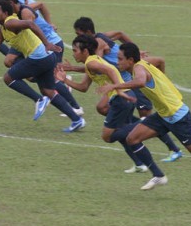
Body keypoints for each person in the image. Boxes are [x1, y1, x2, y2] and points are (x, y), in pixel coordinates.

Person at [99, 43, 191, 207]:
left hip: (178, 116)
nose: (117, 62)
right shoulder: (141, 64)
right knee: (132, 138)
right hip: (162, 115)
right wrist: (163, 83)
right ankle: (158, 175)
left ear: (131, 60)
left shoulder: (139, 69)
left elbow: (140, 82)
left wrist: (115, 85)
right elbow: (160, 61)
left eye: (120, 59)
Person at [68, 17, 182, 165]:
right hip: (123, 81)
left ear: (88, 32)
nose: (78, 37)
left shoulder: (99, 44)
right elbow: (119, 35)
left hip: (131, 81)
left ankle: (173, 149)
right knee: (103, 108)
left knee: (147, 119)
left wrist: (133, 54)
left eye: (79, 33)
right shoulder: (100, 38)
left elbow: (98, 66)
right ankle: (139, 155)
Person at [0, 0, 85, 132]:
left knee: (8, 78)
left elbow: (29, 23)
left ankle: (39, 99)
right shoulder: (3, 29)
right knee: (48, 91)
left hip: (39, 57)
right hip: (47, 57)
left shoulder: (9, 22)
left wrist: (46, 43)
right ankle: (76, 120)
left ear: (5, 13)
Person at [55, 34, 152, 173]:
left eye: (75, 50)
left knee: (108, 136)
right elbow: (83, 87)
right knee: (122, 133)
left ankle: (145, 123)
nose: (73, 53)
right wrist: (65, 80)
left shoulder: (91, 63)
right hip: (125, 97)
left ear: (85, 51)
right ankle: (139, 163)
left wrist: (118, 89)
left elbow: (111, 69)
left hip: (121, 99)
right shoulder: (92, 62)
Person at [0, 0, 84, 116]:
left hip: (49, 44)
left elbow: (39, 10)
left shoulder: (25, 12)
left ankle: (75, 107)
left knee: (51, 79)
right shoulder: (13, 16)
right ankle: (47, 83)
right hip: (36, 46)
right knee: (9, 61)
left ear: (10, 3)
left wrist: (49, 25)